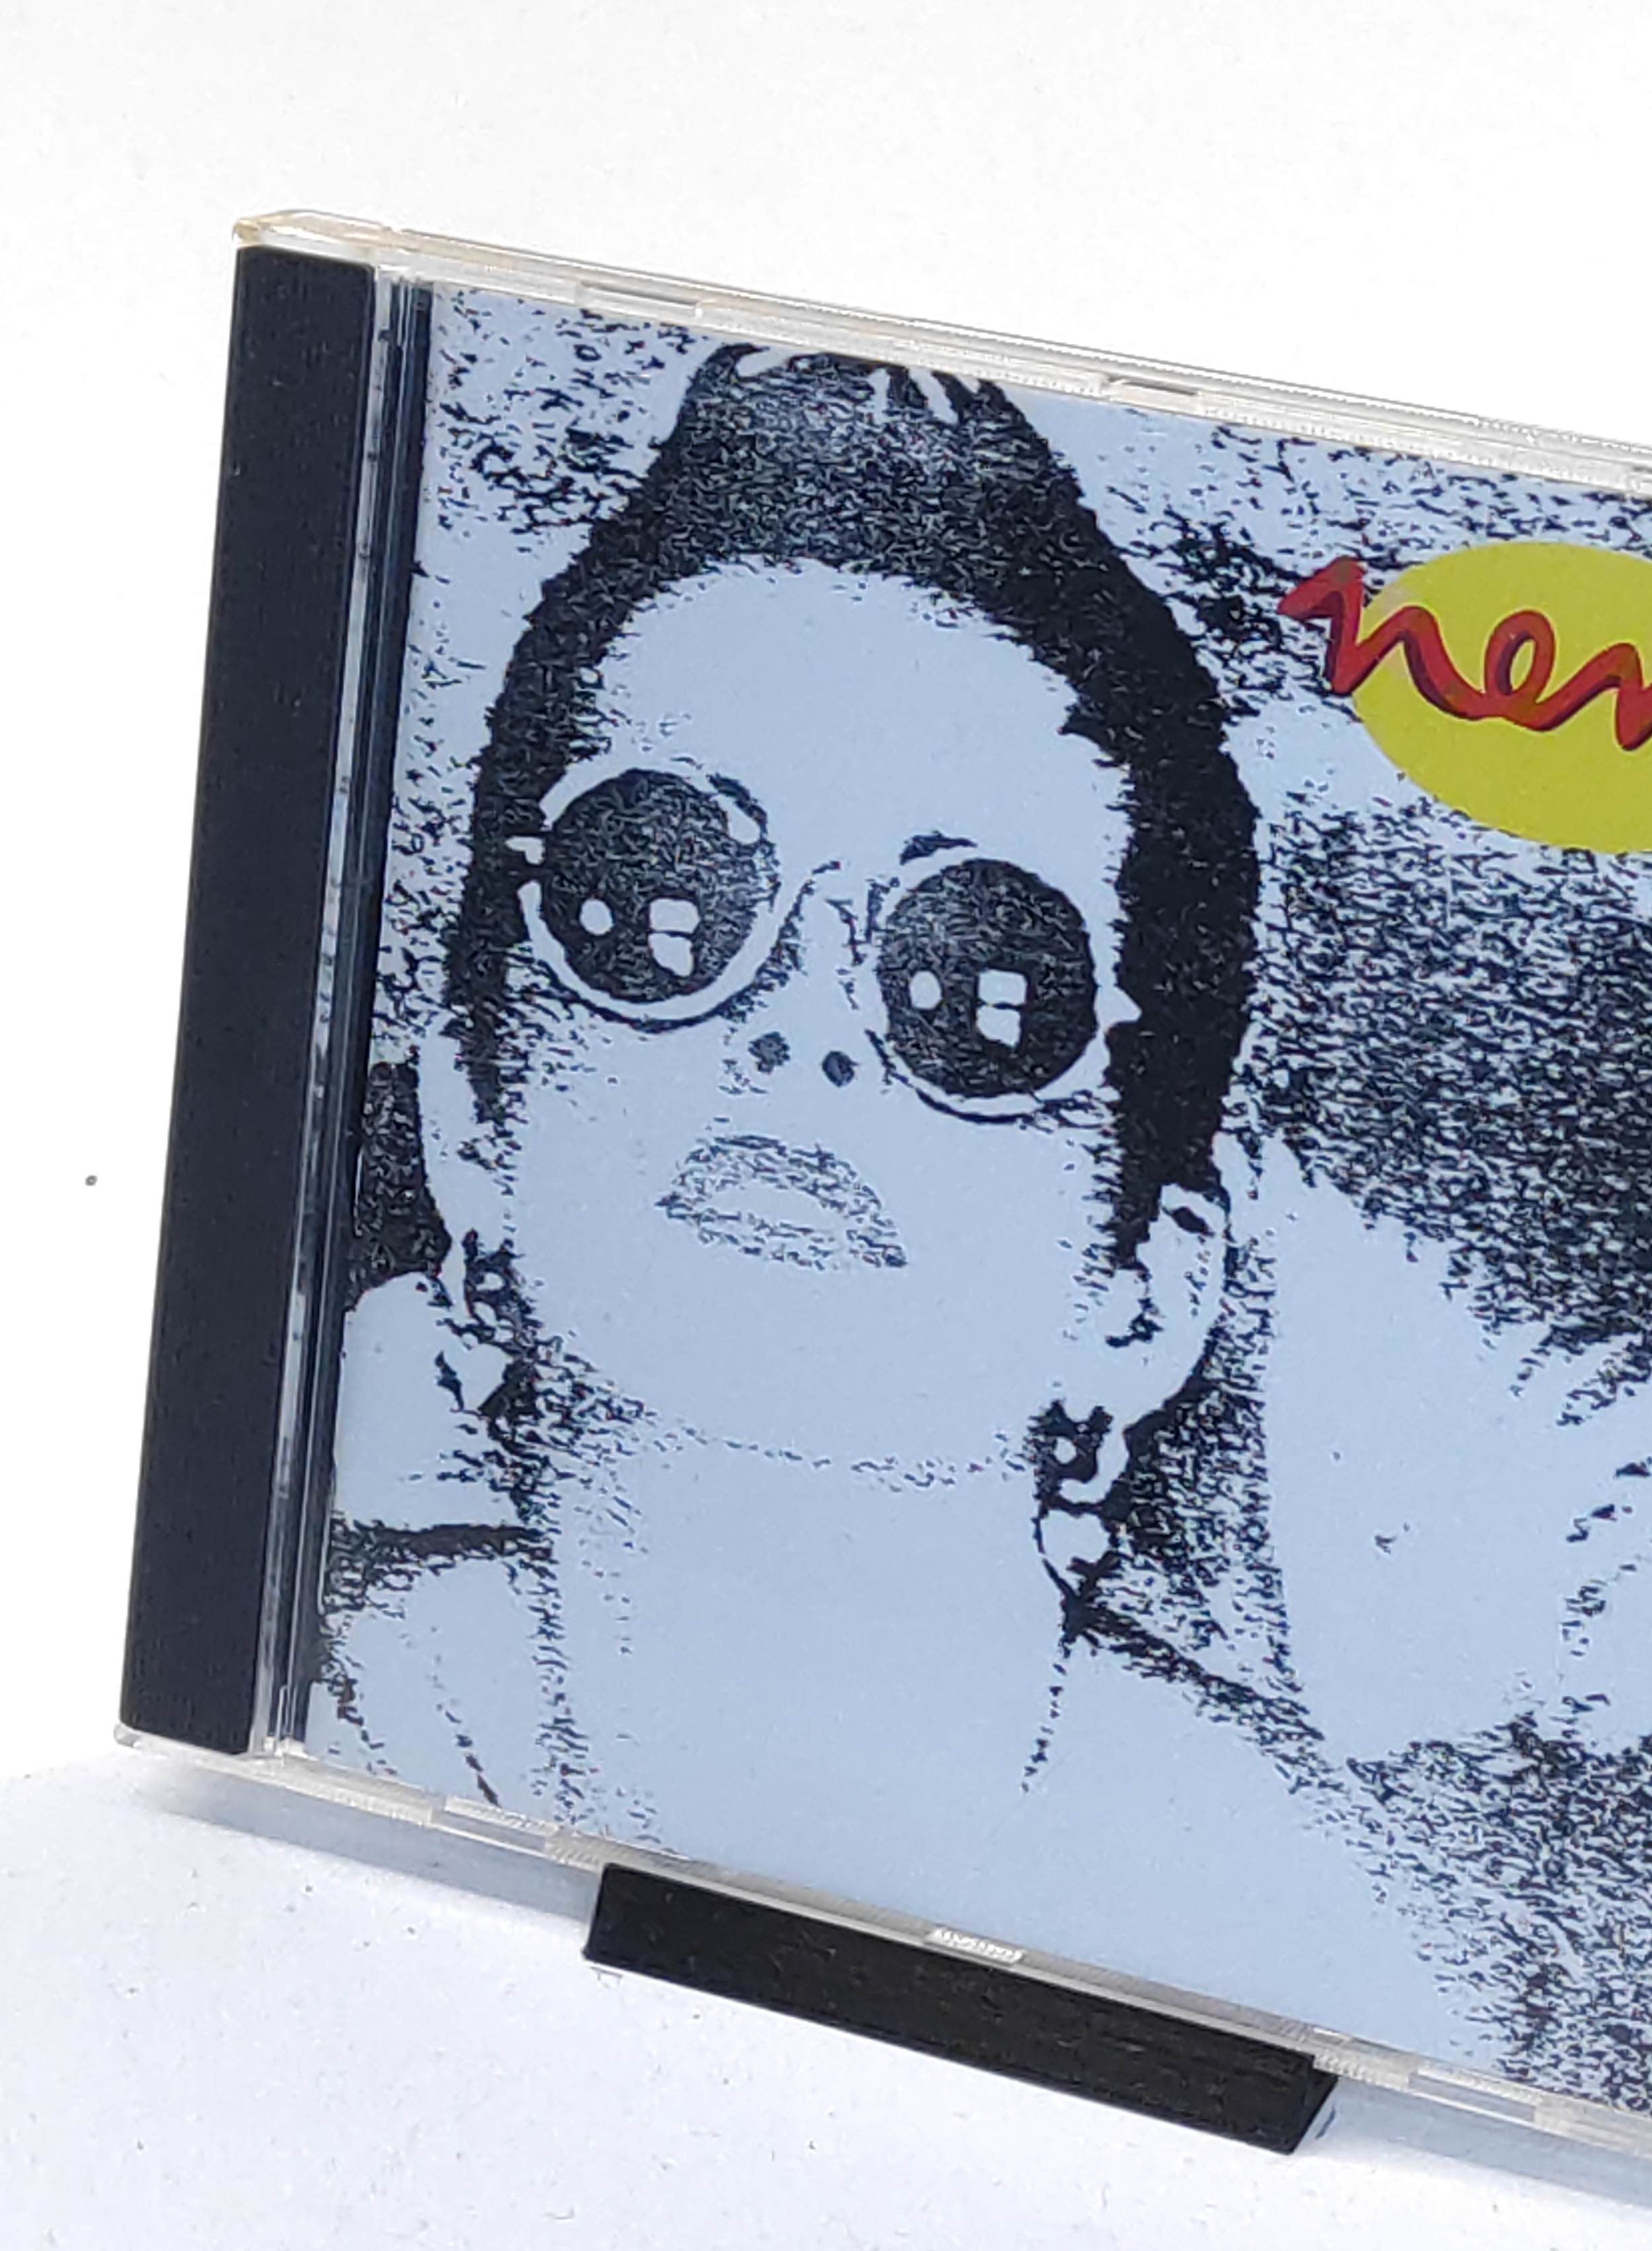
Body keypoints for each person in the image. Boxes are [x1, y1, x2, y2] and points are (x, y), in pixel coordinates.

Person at [320, 345, 1288, 1884]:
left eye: (978, 984)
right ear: (470, 1120)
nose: (800, 1025)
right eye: (664, 901)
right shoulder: (324, 1717)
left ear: (1146, 1293)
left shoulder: (1305, 1905)